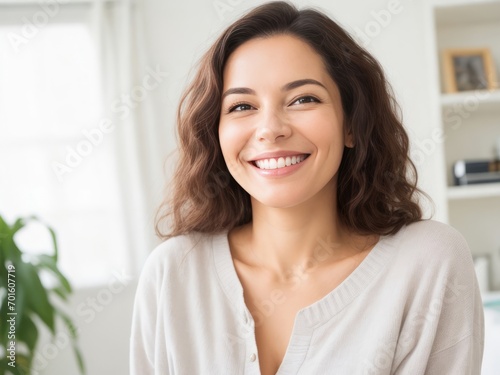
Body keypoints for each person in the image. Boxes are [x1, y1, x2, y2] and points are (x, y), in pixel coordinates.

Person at [130, 2, 484, 374]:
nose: (271, 128)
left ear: (351, 124)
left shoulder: (428, 262)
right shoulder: (174, 273)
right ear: (215, 133)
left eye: (303, 99)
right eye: (241, 106)